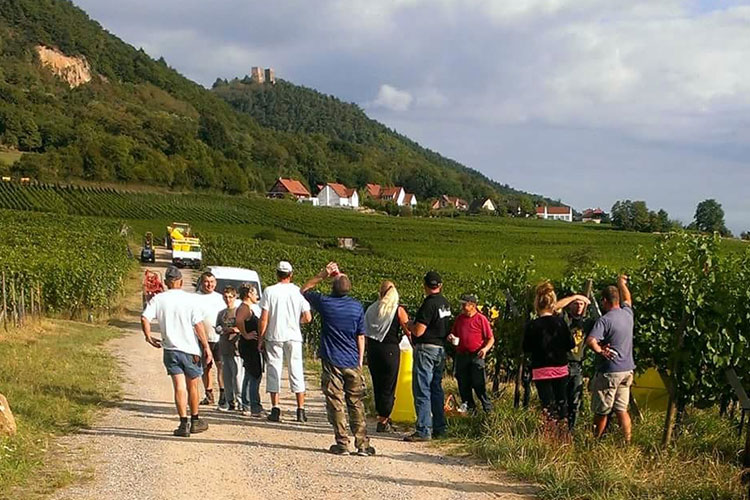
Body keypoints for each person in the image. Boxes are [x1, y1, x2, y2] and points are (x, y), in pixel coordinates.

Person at [301, 262, 375, 456]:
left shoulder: (325, 303)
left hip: (332, 360)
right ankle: (362, 444)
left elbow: (304, 289)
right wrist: (360, 360)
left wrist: (323, 274)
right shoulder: (357, 307)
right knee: (356, 403)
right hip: (352, 360)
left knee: (336, 401)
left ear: (332, 288)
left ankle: (342, 442)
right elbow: (361, 336)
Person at [141, 265, 212, 437]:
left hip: (171, 349)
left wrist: (149, 337)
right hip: (190, 349)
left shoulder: (158, 299)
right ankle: (195, 420)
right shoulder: (190, 300)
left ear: (166, 283)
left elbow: (145, 317)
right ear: (181, 281)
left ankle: (183, 424)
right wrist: (206, 347)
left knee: (179, 386)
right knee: (192, 386)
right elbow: (198, 326)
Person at [259, 261, 312, 423]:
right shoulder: (297, 292)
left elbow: (264, 318)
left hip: (275, 335)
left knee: (274, 369)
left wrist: (260, 338)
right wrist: (296, 323)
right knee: (296, 370)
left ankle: (275, 409)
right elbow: (308, 317)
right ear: (291, 275)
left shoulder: (269, 291)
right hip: (294, 336)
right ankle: (300, 410)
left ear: (277, 274)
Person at [586, 275, 635, 443]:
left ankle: (594, 442)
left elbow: (591, 340)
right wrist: (622, 284)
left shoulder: (604, 320)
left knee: (602, 411)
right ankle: (627, 441)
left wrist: (600, 351)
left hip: (610, 371)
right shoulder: (628, 314)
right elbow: (628, 298)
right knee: (622, 409)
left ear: (605, 300)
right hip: (627, 370)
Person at [404, 271, 452, 442]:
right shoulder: (445, 304)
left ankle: (424, 429)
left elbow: (419, 330)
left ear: (425, 286)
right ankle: (440, 427)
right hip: (440, 349)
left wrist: (408, 324)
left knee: (422, 389)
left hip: (426, 349)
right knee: (436, 389)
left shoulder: (429, 304)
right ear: (440, 285)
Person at [522, 282, 578, 424]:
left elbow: (526, 347)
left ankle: (549, 434)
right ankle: (563, 432)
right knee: (562, 403)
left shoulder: (532, 325)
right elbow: (570, 344)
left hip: (541, 370)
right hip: (560, 368)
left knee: (547, 405)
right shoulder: (560, 323)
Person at [364, 280, 410, 433]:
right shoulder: (397, 310)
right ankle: (384, 420)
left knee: (377, 384)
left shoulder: (371, 309)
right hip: (390, 350)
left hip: (373, 350)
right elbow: (408, 330)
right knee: (388, 386)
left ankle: (380, 415)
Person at [556, 292, 597, 431]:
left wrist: (590, 303)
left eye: (581, 304)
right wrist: (574, 297)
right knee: (561, 400)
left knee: (575, 401)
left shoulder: (587, 323)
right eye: (576, 303)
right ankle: (559, 429)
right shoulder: (565, 320)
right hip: (562, 364)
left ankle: (570, 431)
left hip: (577, 366)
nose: (579, 306)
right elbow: (555, 307)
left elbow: (603, 321)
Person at [447, 293, 494, 413]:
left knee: (479, 384)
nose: (462, 307)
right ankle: (470, 409)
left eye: (464, 304)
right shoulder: (460, 319)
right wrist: (451, 337)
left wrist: (485, 349)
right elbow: (454, 333)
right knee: (463, 383)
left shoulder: (481, 319)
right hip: (462, 355)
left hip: (476, 355)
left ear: (472, 305)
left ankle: (488, 409)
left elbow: (490, 338)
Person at [196, 272, 226, 407]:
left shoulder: (220, 298)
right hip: (203, 339)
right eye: (207, 281)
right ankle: (209, 395)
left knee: (221, 366)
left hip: (219, 338)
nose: (210, 284)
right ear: (202, 283)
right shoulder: (195, 298)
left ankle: (224, 394)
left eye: (212, 281)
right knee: (206, 367)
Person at [236, 283, 264, 417]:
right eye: (254, 293)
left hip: (248, 345)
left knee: (249, 374)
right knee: (255, 374)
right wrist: (245, 334)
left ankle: (247, 404)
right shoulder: (244, 308)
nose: (257, 296)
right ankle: (253, 405)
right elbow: (239, 320)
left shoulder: (247, 307)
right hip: (249, 345)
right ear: (248, 294)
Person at [216, 286, 243, 412]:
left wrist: (232, 330)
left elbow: (242, 329)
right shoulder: (221, 313)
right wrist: (220, 330)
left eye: (230, 297)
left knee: (237, 377)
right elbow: (217, 327)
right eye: (225, 297)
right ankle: (229, 401)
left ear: (235, 297)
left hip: (236, 349)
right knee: (226, 377)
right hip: (224, 348)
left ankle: (241, 401)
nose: (228, 299)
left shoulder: (239, 312)